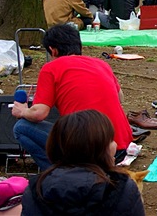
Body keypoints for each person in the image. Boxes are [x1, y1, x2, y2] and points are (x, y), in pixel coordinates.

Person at [12, 25, 133, 170]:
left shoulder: (51, 68)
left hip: (89, 149)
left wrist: (22, 111)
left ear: (53, 50)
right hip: (120, 147)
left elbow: (39, 113)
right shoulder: (101, 64)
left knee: (21, 128)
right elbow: (120, 98)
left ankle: (56, 174)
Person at [21, 110, 145, 215]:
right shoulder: (121, 190)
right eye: (111, 140)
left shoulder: (34, 192)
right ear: (100, 149)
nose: (116, 145)